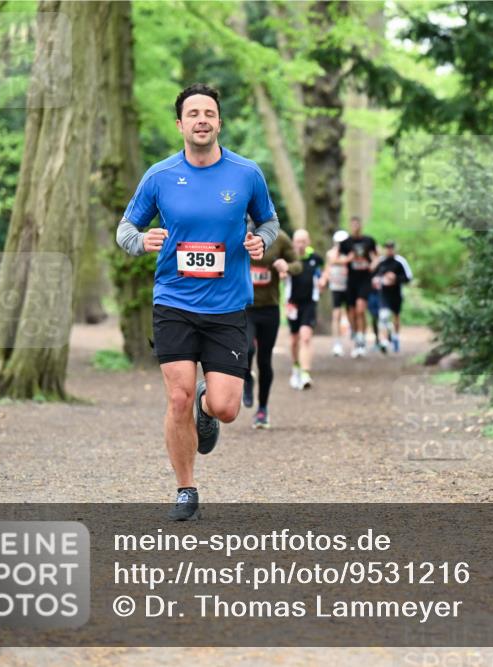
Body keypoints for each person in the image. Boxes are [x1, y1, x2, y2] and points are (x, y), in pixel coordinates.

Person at [116, 83, 279, 521]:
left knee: (225, 408)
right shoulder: (159, 176)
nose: (202, 120)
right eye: (193, 114)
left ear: (219, 122)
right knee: (177, 398)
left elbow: (269, 222)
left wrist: (261, 241)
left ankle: (208, 408)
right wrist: (140, 241)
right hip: (174, 302)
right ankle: (185, 487)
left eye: (209, 112)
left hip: (227, 305)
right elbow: (125, 229)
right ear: (180, 124)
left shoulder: (246, 173)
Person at [245, 227, 301, 428]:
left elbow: (297, 265)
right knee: (247, 349)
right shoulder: (239, 230)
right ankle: (246, 377)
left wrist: (286, 266)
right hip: (245, 307)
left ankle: (262, 409)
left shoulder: (280, 237)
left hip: (269, 309)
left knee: (265, 361)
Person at [286, 230, 324, 389]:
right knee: (295, 340)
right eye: (297, 241)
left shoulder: (315, 259)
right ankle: (295, 367)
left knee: (306, 337)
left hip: (309, 303)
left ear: (308, 242)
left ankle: (305, 373)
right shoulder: (289, 258)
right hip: (292, 304)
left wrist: (323, 280)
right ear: (293, 243)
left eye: (303, 241)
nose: (300, 244)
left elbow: (322, 273)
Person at [338, 216, 378, 358]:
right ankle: (356, 337)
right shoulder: (345, 243)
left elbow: (376, 257)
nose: (355, 226)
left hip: (364, 279)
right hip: (351, 280)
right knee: (352, 312)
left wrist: (372, 265)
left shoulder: (369, 241)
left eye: (357, 224)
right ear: (350, 225)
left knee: (361, 309)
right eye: (353, 224)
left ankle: (361, 340)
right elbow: (338, 259)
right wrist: (348, 259)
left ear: (361, 225)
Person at [374, 241, 413, 353]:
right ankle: (385, 340)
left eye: (391, 248)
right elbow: (375, 275)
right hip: (384, 293)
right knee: (384, 316)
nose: (389, 250)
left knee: (396, 316)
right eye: (387, 248)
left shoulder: (400, 261)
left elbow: (408, 278)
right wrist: (379, 280)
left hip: (396, 293)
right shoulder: (381, 262)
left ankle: (395, 337)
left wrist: (395, 278)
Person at [320, 230, 351, 357]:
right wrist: (324, 280)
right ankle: (337, 343)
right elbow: (329, 265)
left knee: (351, 313)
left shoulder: (350, 253)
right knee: (336, 314)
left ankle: (355, 340)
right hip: (336, 287)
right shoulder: (331, 253)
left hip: (348, 286)